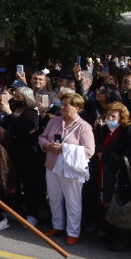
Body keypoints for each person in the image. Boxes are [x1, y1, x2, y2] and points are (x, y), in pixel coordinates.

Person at [39, 94, 94, 245]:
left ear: (77, 108)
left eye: (66, 105)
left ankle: (73, 232)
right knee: (54, 197)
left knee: (72, 201)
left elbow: (90, 151)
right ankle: (57, 226)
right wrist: (47, 145)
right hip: (52, 165)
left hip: (71, 169)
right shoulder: (54, 120)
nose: (62, 107)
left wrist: (65, 148)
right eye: (61, 104)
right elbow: (42, 137)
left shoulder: (84, 126)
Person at [94, 101, 131, 251]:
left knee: (120, 204)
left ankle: (122, 239)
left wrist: (104, 156)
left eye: (113, 116)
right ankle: (111, 233)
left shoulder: (129, 132)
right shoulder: (105, 130)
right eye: (107, 115)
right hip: (105, 173)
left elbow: (129, 159)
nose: (109, 119)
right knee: (109, 202)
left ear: (122, 118)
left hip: (121, 176)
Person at [0, 86, 42, 226]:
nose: (15, 99)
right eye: (14, 96)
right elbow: (6, 123)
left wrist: (10, 114)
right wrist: (0, 126)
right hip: (12, 151)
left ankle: (32, 214)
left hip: (27, 154)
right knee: (12, 182)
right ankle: (15, 210)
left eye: (18, 97)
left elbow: (24, 127)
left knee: (29, 185)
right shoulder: (13, 108)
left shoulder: (31, 113)